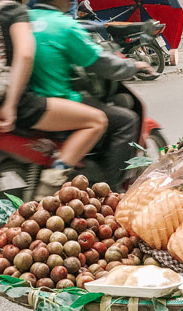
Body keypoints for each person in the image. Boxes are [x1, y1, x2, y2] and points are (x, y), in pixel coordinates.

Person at [28, 0, 151, 191]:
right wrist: (133, 66)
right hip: (57, 101)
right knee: (126, 120)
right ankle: (110, 190)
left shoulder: (26, 18)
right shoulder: (64, 25)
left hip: (30, 97)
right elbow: (101, 62)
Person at [0, 0, 107, 191]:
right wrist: (10, 104)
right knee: (97, 121)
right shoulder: (12, 10)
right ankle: (49, 188)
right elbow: (25, 54)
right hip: (13, 105)